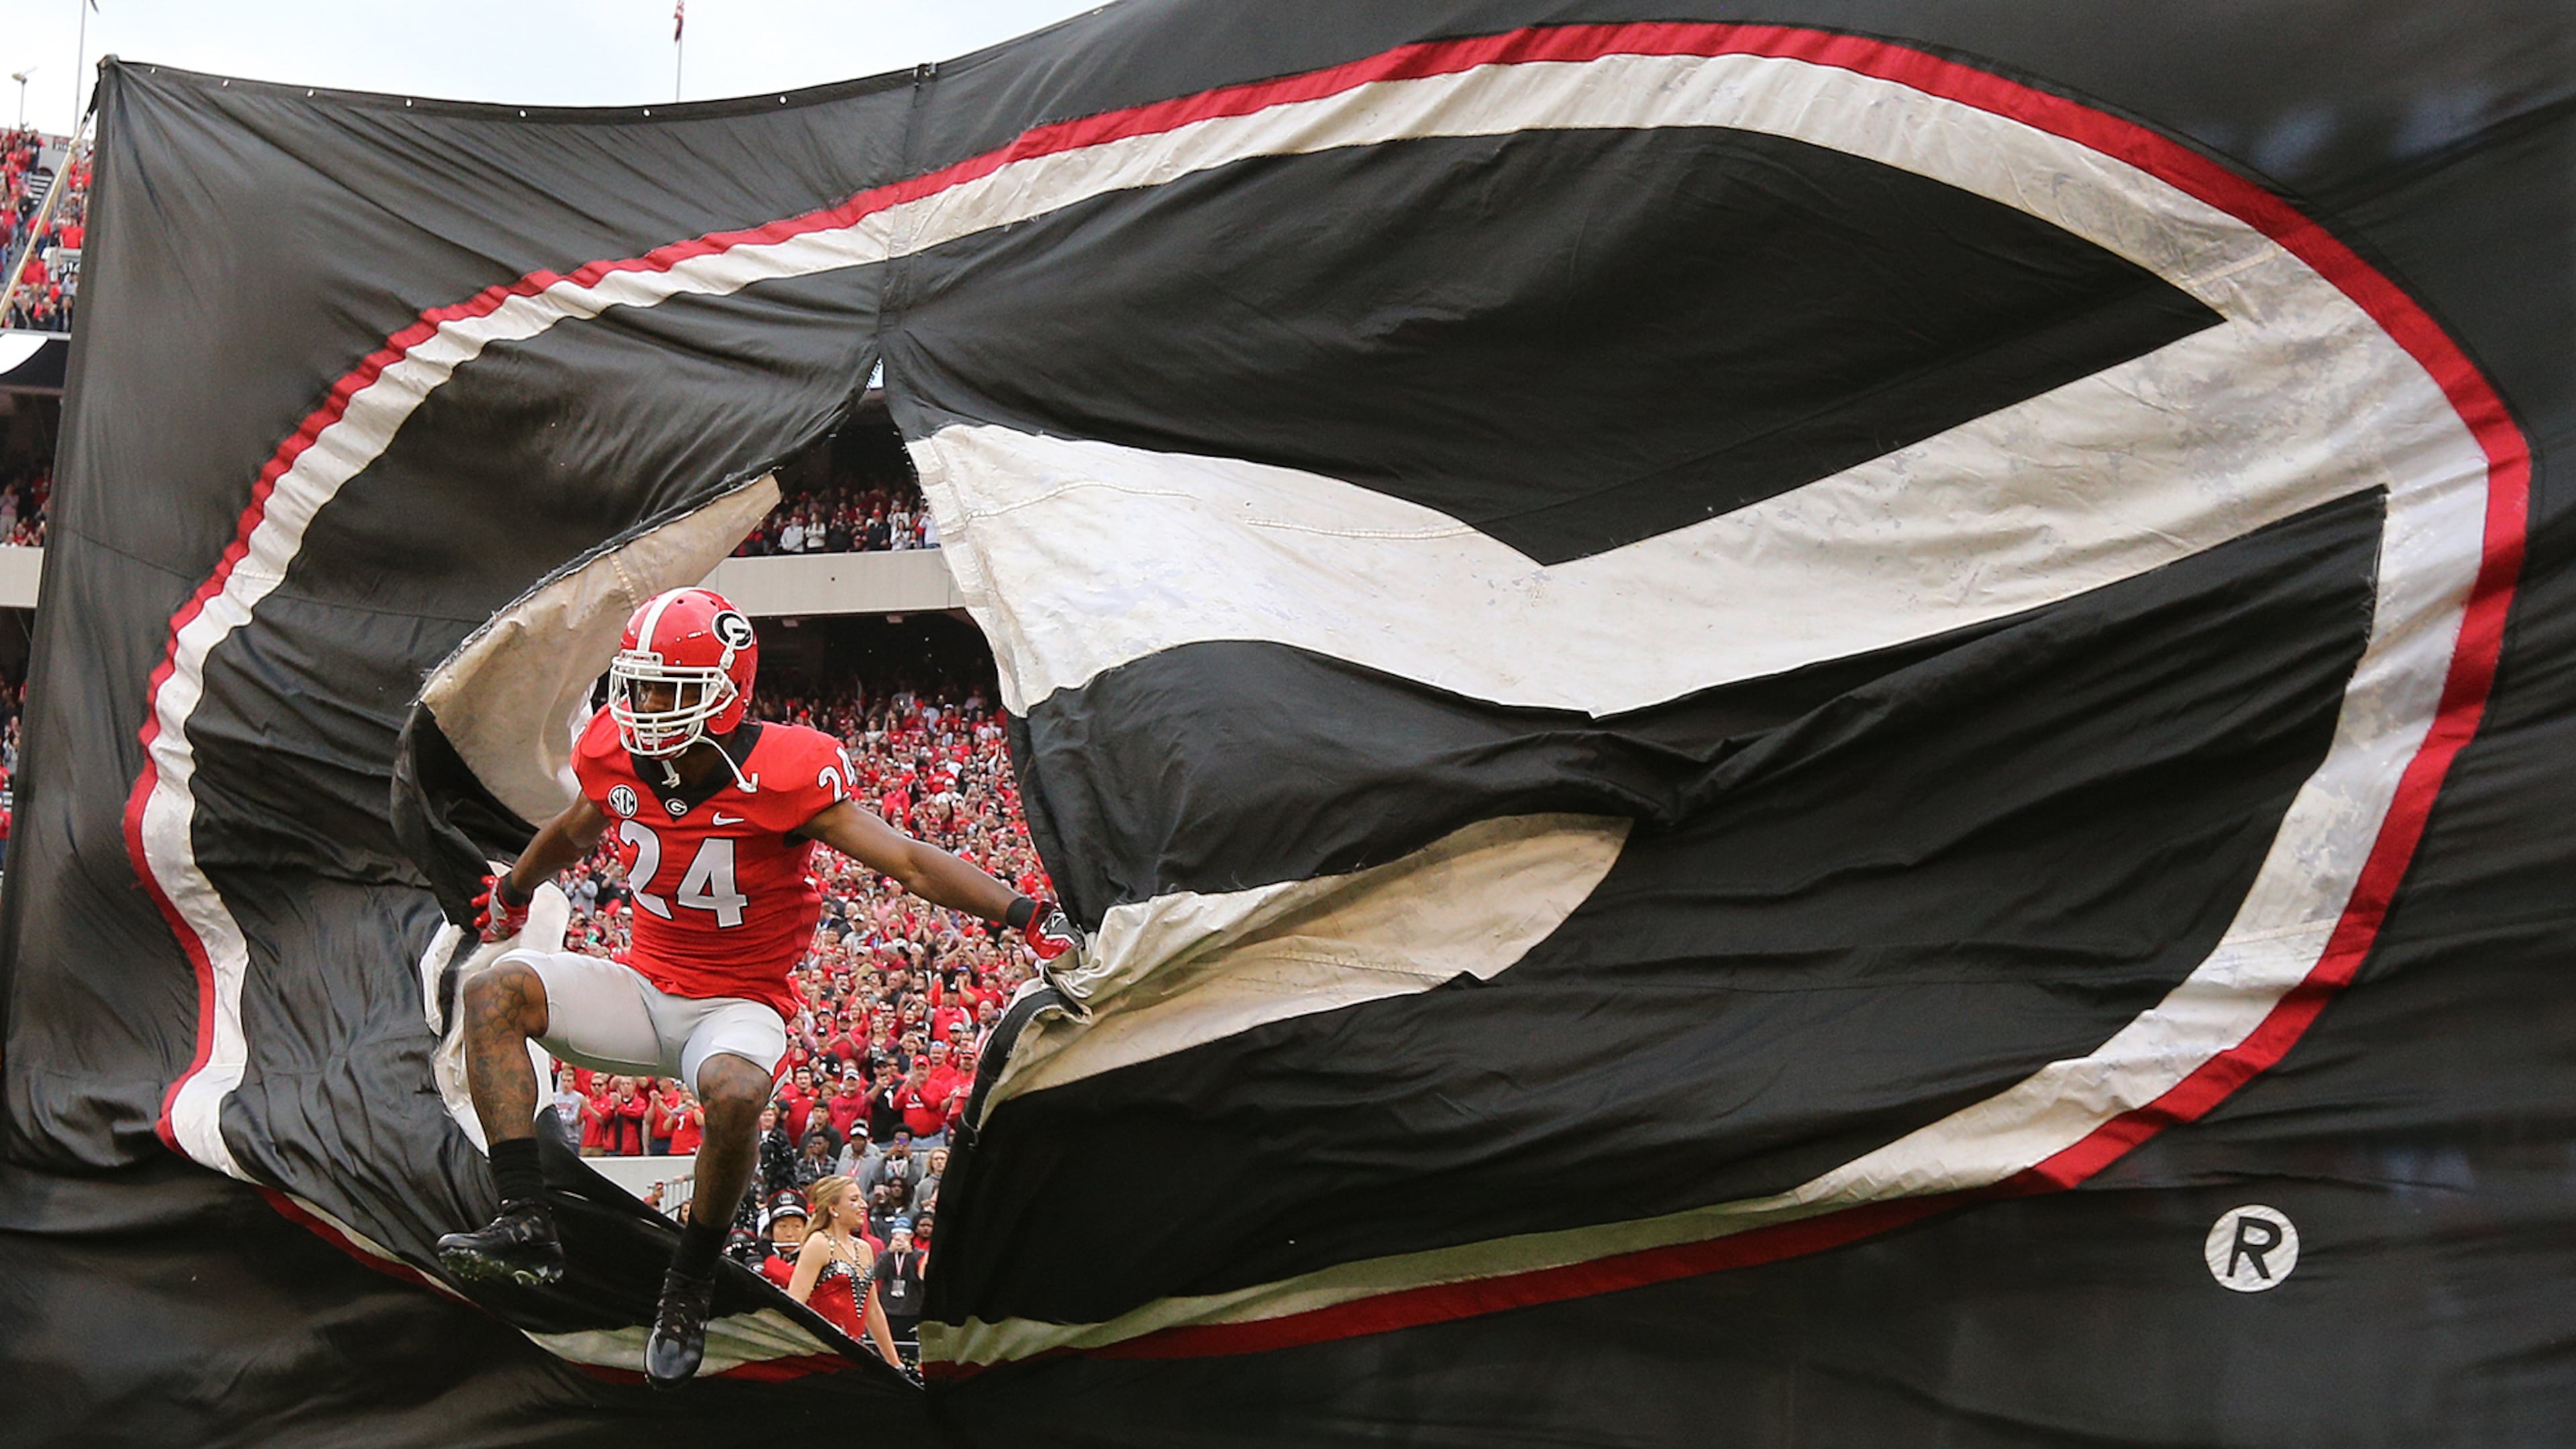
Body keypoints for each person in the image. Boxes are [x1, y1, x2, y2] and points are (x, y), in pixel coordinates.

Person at [433, 586, 1079, 1388]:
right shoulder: (615, 752)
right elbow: (574, 830)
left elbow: (909, 861)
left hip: (736, 1005)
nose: (645, 709)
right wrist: (514, 891)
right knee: (493, 992)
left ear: (725, 690)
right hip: (640, 986)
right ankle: (524, 1218)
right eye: (639, 687)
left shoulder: (784, 772)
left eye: (669, 691)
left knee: (737, 1092)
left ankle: (690, 1282)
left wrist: (1024, 913)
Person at [784, 1175, 901, 1362]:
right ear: (833, 1209)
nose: (863, 1205)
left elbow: (873, 1311)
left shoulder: (864, 1248)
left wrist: (895, 1363)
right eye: (854, 1199)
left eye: (861, 1198)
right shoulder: (819, 1243)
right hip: (822, 1354)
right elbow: (795, 1304)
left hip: (855, 1354)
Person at [870, 1221, 928, 1351]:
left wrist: (911, 1255)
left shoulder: (919, 1255)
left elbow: (919, 1279)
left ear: (911, 1235)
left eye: (904, 1234)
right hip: (889, 1308)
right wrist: (889, 1252)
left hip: (911, 1309)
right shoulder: (886, 1255)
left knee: (909, 1347)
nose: (900, 1239)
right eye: (896, 1234)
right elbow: (877, 1274)